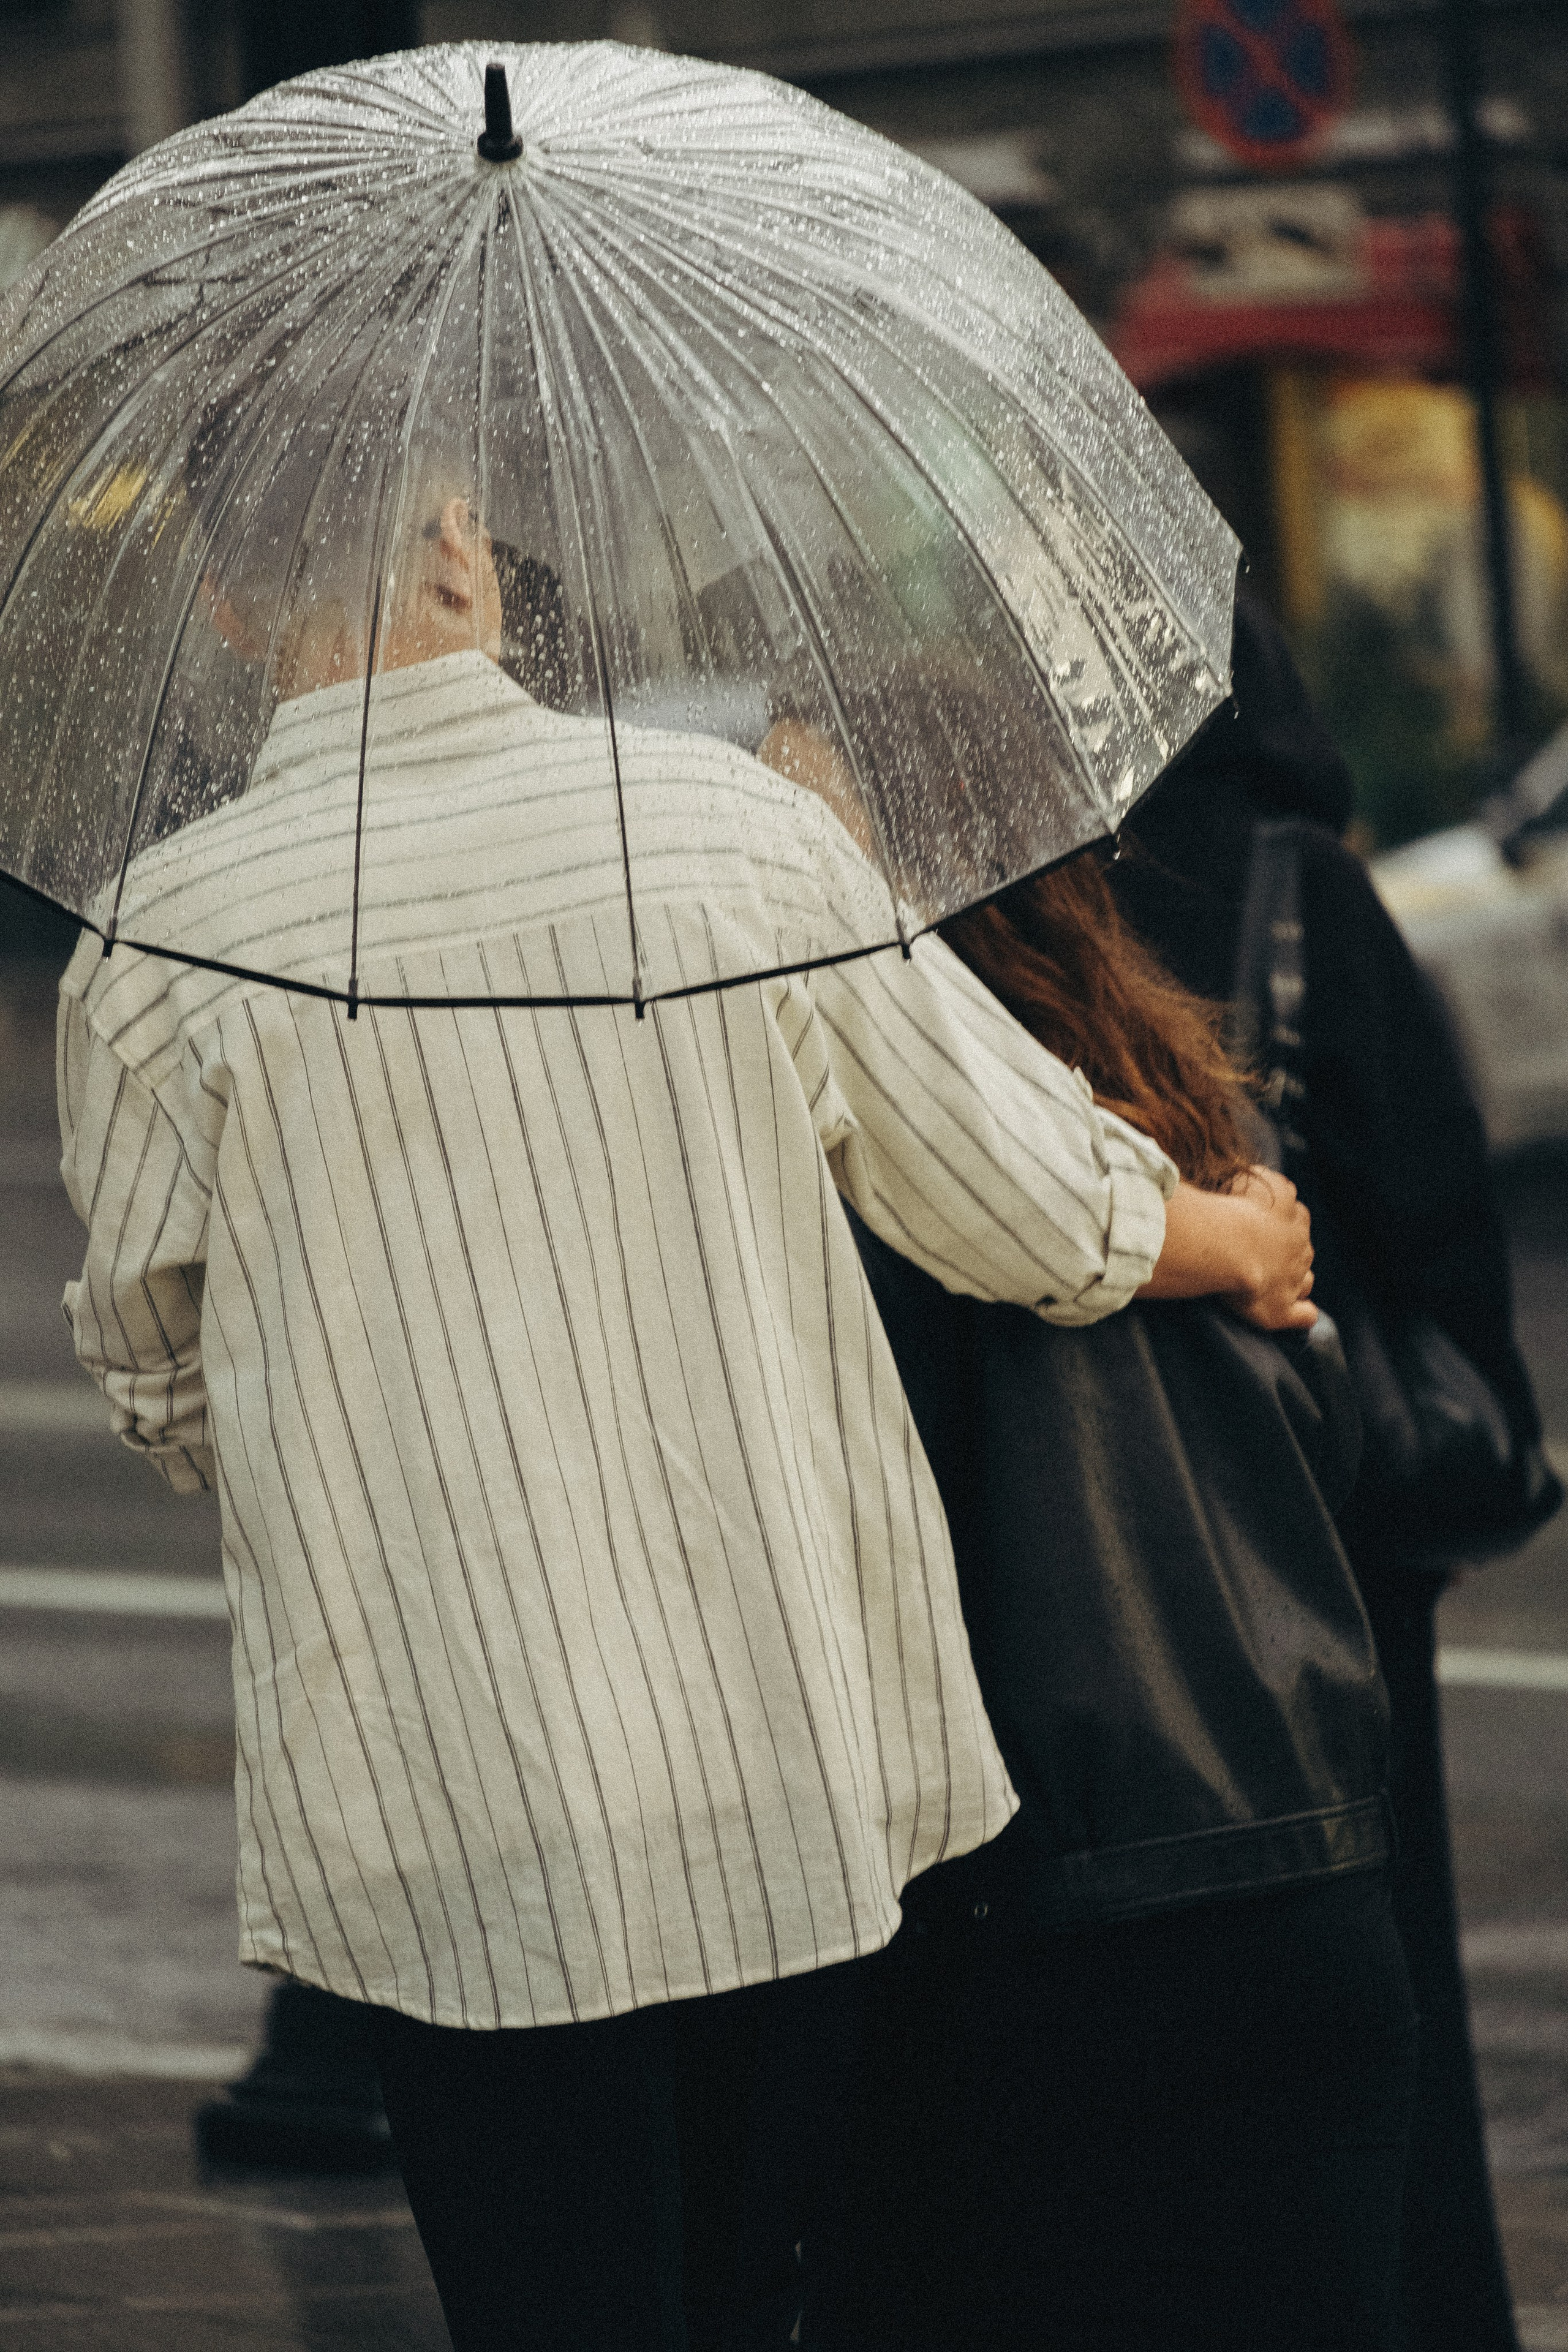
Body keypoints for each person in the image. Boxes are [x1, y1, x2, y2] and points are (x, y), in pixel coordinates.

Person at [56, 483, 1307, 2350]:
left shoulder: (169, 940)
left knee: (542, 2295)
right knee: (754, 2286)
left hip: (438, 1780)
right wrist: (1230, 1238)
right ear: (467, 558)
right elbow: (1014, 1205)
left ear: (229, 622)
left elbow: (158, 1355)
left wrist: (341, 1433)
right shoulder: (732, 837)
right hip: (780, 1744)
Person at [805, 845, 1417, 2352]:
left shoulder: (854, 1192)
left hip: (1033, 1922)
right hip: (1307, 1889)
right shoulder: (1206, 1141)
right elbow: (1332, 1450)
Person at [1108, 587, 1561, 2352]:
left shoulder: (1054, 894)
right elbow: (1435, 1208)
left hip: (1135, 1508)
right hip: (1343, 1497)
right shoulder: (1311, 887)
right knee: (1393, 1946)